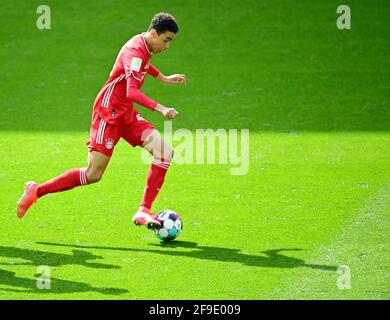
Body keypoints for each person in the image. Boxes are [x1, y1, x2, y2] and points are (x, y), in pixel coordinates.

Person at [16, 12, 186, 230]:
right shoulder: (136, 50)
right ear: (153, 33)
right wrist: (161, 108)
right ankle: (36, 191)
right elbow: (132, 91)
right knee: (93, 174)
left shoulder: (144, 44)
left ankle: (144, 210)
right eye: (166, 40)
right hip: (108, 114)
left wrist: (162, 77)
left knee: (164, 152)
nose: (167, 46)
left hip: (126, 114)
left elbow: (141, 66)